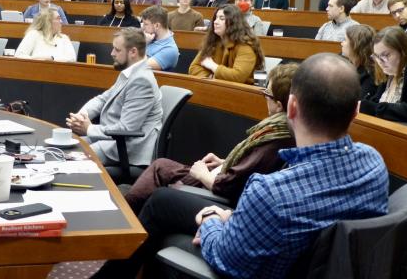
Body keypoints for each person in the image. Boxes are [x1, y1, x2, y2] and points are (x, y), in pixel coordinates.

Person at [91, 53, 389, 279]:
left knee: (162, 211)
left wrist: (210, 221)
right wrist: (233, 216)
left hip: (254, 270)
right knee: (162, 200)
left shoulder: (270, 192)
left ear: (292, 107)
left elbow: (225, 257)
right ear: (356, 111)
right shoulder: (374, 164)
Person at [125, 63, 298, 213]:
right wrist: (224, 162)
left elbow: (229, 187)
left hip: (220, 192)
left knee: (160, 167)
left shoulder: (275, 137)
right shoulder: (282, 130)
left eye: (267, 94)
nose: (264, 98)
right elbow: (250, 166)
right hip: (223, 175)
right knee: (161, 166)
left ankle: (125, 220)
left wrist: (202, 174)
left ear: (279, 105)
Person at [66, 28, 162, 167]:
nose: (112, 53)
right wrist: (82, 116)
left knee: (70, 160)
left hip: (126, 149)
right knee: (65, 147)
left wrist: (89, 129)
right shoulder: (130, 72)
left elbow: (126, 129)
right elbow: (102, 99)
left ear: (133, 52)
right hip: (111, 140)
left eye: (117, 50)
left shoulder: (142, 81)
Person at [188, 4, 263, 84]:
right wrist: (211, 77)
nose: (215, 22)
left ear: (233, 23)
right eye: (216, 18)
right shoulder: (213, 41)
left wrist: (213, 66)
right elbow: (193, 68)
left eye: (221, 18)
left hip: (244, 92)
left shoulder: (246, 46)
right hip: (217, 88)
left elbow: (237, 76)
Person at [341, 24, 381, 99]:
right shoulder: (345, 63)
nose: (342, 43)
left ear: (355, 45)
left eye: (345, 40)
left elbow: (357, 102)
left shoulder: (371, 74)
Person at [141, 5, 179, 71]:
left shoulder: (169, 49)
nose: (143, 27)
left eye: (145, 24)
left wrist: (144, 44)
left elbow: (139, 67)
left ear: (157, 26)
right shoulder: (150, 36)